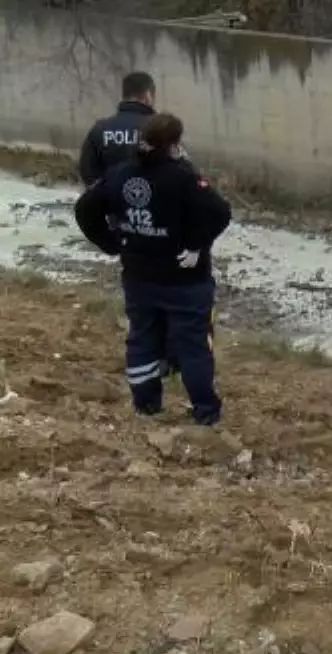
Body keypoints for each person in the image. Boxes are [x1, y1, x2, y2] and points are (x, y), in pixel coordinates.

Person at [73, 113, 231, 425]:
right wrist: (196, 245)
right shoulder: (182, 177)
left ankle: (146, 406)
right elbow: (219, 211)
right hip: (185, 280)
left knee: (142, 339)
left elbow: (85, 208)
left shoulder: (118, 175)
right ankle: (205, 412)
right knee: (194, 345)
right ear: (174, 143)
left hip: (138, 276)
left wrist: (111, 242)